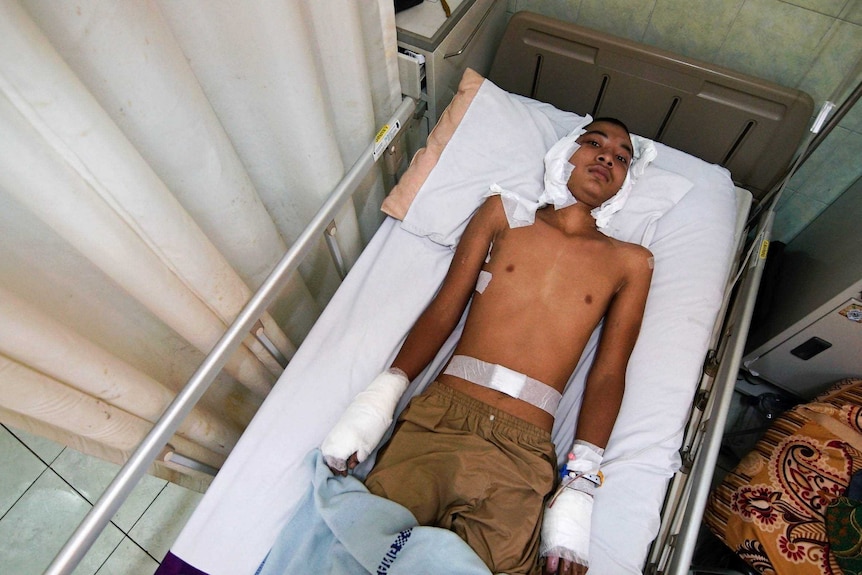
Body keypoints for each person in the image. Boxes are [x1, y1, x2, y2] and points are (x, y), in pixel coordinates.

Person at [321, 118, 654, 575]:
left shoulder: (630, 262)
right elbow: (444, 310)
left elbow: (609, 372)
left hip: (524, 452)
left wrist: (579, 486)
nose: (606, 158)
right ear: (563, 155)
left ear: (626, 183)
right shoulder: (502, 214)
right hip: (441, 420)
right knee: (367, 556)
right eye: (594, 143)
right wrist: (378, 402)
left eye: (621, 158)